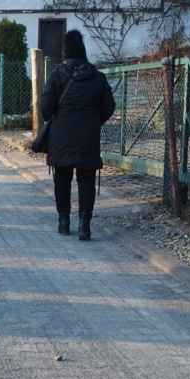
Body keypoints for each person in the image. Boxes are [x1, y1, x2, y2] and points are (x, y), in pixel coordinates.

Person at [41, 29, 115, 240]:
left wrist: (57, 118)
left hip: (61, 135)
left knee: (62, 178)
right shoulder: (98, 78)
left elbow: (45, 107)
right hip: (88, 135)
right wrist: (94, 121)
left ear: (65, 52)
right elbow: (109, 106)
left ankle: (64, 221)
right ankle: (85, 223)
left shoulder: (56, 75)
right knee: (86, 178)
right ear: (83, 52)